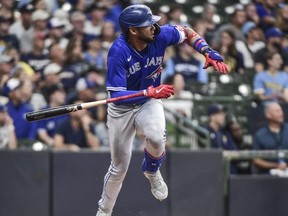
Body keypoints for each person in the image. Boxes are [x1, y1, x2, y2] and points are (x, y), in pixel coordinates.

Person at [95, 4, 228, 216]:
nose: (154, 26)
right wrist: (148, 92)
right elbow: (117, 98)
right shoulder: (118, 51)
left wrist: (206, 50)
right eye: (148, 24)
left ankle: (151, 169)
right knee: (119, 168)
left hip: (150, 99)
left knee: (157, 138)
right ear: (133, 30)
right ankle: (104, 211)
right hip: (123, 108)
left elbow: (186, 32)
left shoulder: (160, 34)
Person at [253, 102, 288, 174]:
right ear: (268, 115)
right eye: (277, 111)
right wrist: (276, 166)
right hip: (268, 177)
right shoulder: (260, 135)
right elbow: (256, 160)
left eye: (281, 110)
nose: (281, 113)